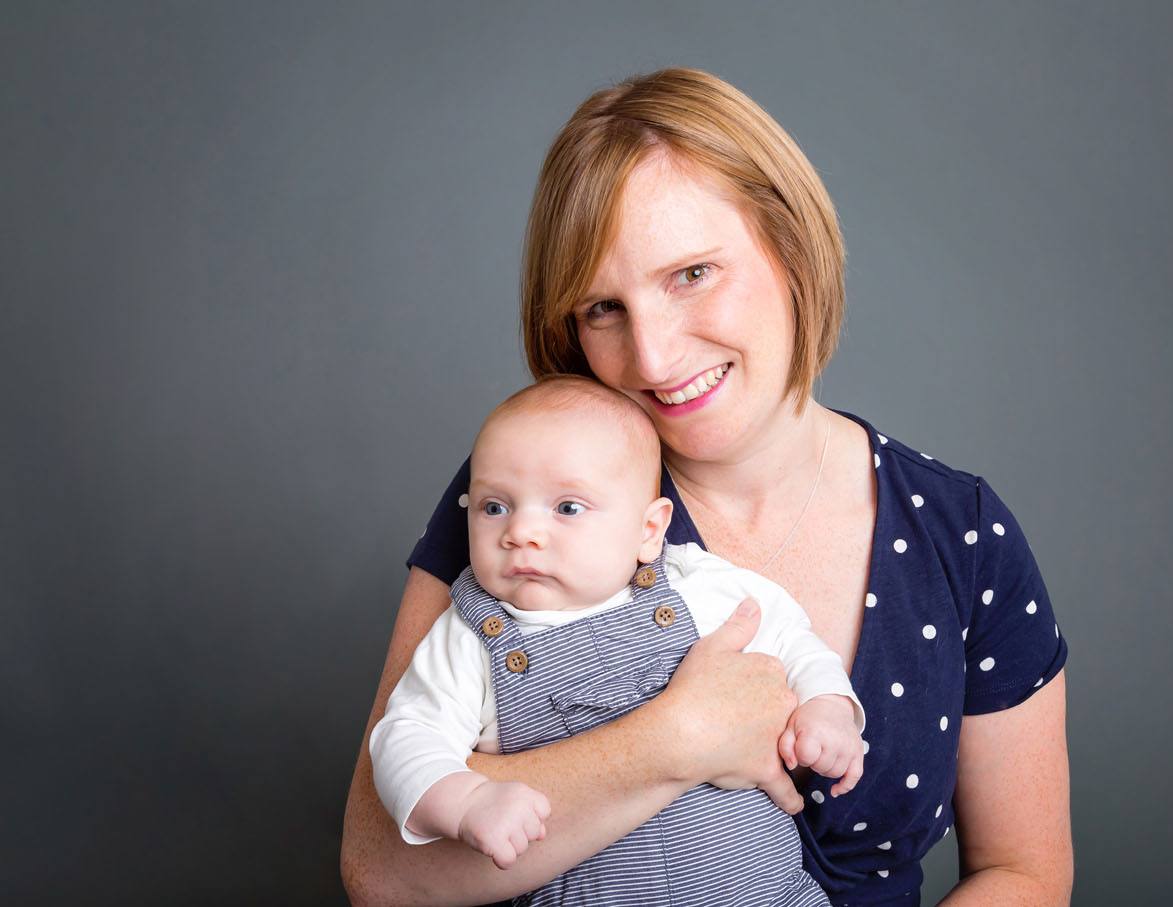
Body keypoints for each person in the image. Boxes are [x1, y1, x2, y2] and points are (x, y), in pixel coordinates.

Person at [342, 67, 1072, 906]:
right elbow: (381, 873)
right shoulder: (528, 504)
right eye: (602, 309)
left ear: (791, 246)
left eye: (691, 273)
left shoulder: (961, 532)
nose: (652, 356)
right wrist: (676, 740)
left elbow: (1026, 872)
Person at [368, 376, 864, 906]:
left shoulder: (695, 586)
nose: (520, 532)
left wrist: (828, 705)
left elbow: (792, 636)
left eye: (567, 508)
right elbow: (404, 739)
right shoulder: (468, 637)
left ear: (649, 531)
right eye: (495, 507)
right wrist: (466, 802)